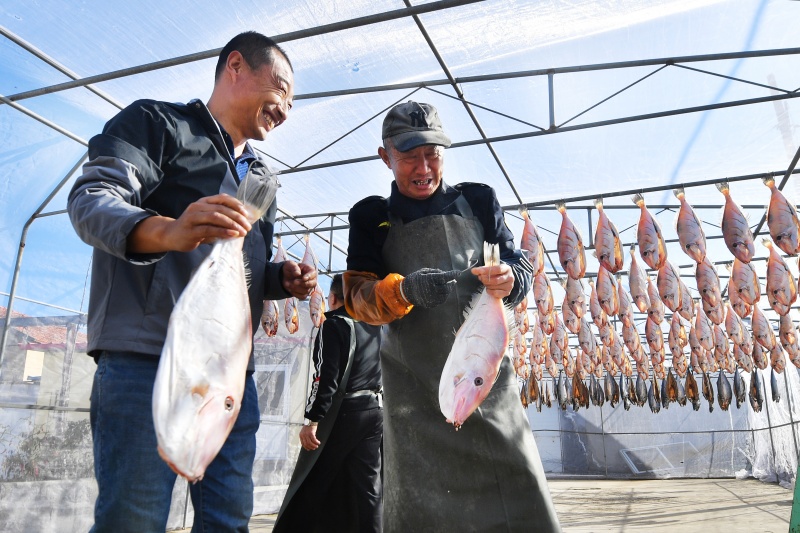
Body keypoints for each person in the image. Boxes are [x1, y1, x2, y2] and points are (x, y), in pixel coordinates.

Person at [67, 32, 316, 532]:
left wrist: (277, 279)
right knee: (132, 518)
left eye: (292, 101)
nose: (285, 109)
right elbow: (92, 199)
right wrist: (169, 230)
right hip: (148, 360)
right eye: (281, 89)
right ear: (236, 66)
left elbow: (234, 273)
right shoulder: (158, 124)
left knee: (228, 518)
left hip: (228, 377)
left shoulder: (261, 179)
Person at [344, 101, 561, 531]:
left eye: (433, 154)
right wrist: (402, 289)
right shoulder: (370, 217)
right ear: (385, 156)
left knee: (517, 495)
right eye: (409, 156)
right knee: (424, 511)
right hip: (414, 399)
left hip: (485, 387)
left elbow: (520, 267)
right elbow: (357, 298)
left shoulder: (479, 201)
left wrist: (511, 280)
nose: (424, 167)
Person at [274, 273, 383, 533]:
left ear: (332, 298)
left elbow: (325, 379)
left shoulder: (334, 325)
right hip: (375, 410)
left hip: (344, 413)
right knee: (368, 487)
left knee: (312, 479)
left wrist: (312, 420)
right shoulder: (373, 325)